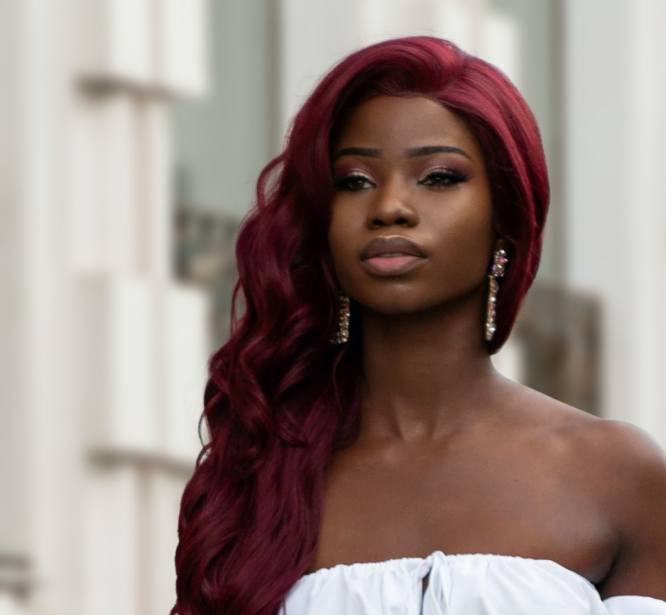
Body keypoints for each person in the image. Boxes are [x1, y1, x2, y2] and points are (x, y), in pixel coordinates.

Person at [171, 37, 666, 615]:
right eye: (354, 180)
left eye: (437, 177)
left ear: (506, 220)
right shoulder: (260, 475)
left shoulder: (617, 475)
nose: (389, 207)